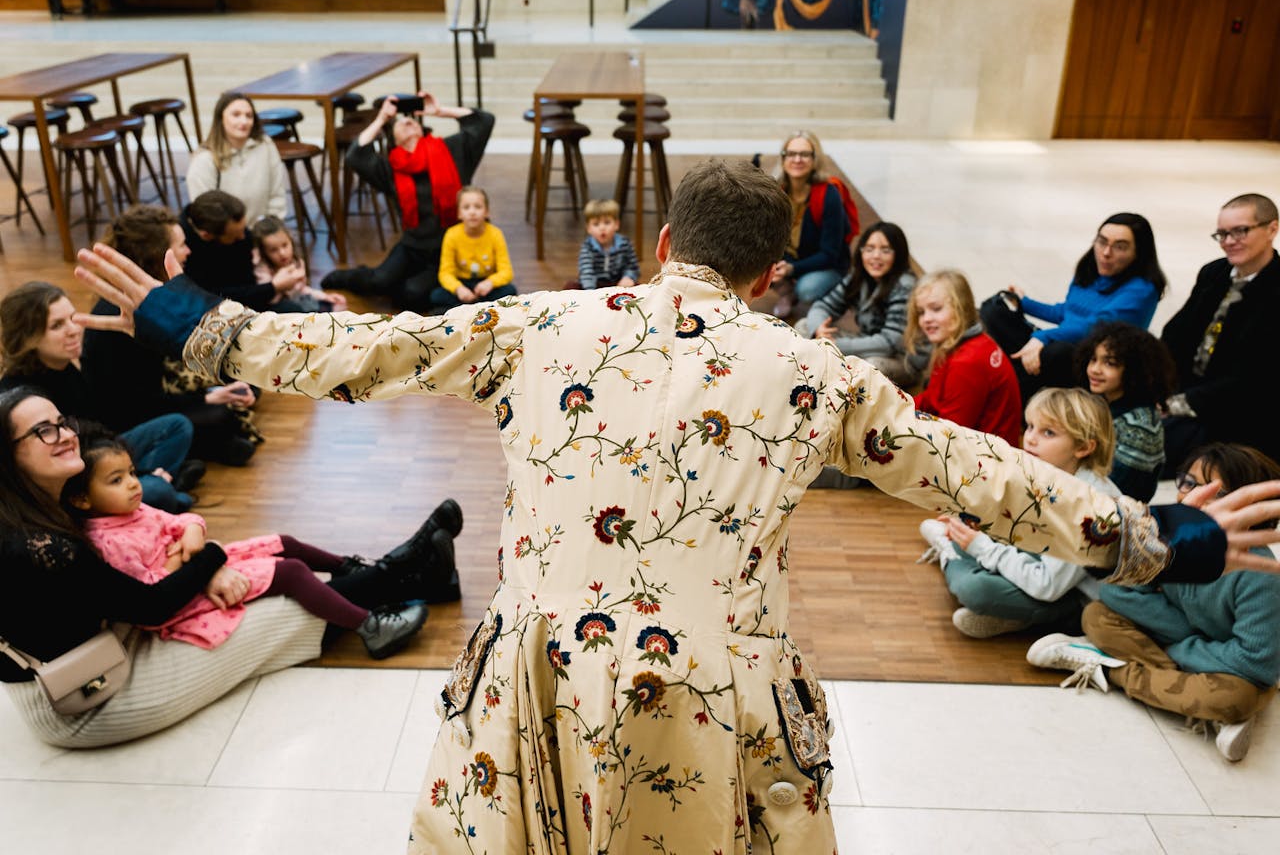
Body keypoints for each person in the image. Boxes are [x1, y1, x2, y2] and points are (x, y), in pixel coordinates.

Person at [73, 159, 1280, 854]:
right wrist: (1152, 535)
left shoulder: (540, 320)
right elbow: (980, 474)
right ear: (768, 278)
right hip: (714, 684)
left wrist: (198, 321)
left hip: (542, 665)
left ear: (655, 243)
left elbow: (364, 357)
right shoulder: (818, 373)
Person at [0, 385, 463, 748]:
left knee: (267, 565)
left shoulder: (44, 506)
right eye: (43, 431)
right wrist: (212, 556)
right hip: (88, 698)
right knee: (290, 602)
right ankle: (412, 572)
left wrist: (206, 550)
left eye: (61, 422)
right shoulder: (42, 545)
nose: (64, 434)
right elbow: (153, 607)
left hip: (112, 641)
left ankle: (411, 572)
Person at [65, 427, 428, 658]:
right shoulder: (108, 543)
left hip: (199, 566)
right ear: (82, 499)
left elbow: (184, 521)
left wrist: (191, 534)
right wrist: (184, 559)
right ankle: (371, 627)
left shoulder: (133, 509)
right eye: (116, 480)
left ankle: (352, 567)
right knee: (290, 572)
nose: (133, 484)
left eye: (131, 473)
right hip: (185, 597)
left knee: (283, 542)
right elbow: (151, 591)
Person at [1028, 443, 1280, 762]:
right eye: (1187, 482)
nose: (1189, 496)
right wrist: (1185, 640)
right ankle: (1199, 700)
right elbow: (1116, 590)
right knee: (1096, 615)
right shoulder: (1179, 535)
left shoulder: (1260, 574)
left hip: (1228, 659)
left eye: (1215, 491)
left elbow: (1255, 662)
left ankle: (1110, 671)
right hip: (1202, 651)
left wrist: (1180, 647)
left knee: (1238, 697)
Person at [919, 388, 1121, 638]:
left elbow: (1048, 586)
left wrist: (980, 546)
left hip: (1075, 600)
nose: (1031, 438)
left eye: (1048, 432)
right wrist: (972, 522)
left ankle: (952, 557)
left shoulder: (1088, 508)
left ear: (1083, 447)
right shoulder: (1052, 472)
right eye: (1030, 426)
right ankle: (1003, 606)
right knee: (974, 536)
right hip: (1046, 568)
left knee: (974, 589)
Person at [81, 205, 261, 467]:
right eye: (180, 245)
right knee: (220, 416)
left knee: (242, 381)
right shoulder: (122, 316)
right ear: (157, 256)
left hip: (159, 390)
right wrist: (208, 397)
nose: (188, 251)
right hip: (129, 414)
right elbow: (136, 403)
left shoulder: (158, 292)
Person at [0, 282, 201, 512]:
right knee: (159, 492)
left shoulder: (62, 365)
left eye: (73, 318)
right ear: (26, 337)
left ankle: (155, 483)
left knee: (177, 426)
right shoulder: (22, 397)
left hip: (93, 454)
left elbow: (96, 423)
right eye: (57, 325)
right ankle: (159, 485)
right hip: (74, 476)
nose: (74, 329)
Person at [320, 92, 495, 312]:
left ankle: (410, 286)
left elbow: (485, 120)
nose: (407, 121)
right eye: (400, 123)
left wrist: (440, 111)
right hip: (412, 246)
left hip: (448, 249)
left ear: (423, 129)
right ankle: (347, 277)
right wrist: (381, 118)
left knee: (411, 295)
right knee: (379, 282)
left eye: (412, 120)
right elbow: (356, 156)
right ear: (393, 139)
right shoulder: (391, 168)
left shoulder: (451, 150)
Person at [981, 212, 1166, 399]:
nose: (1106, 253)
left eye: (1119, 247)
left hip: (1095, 364)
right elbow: (1067, 312)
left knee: (1056, 352)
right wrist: (1024, 302)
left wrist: (1043, 337)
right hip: (1066, 346)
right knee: (994, 310)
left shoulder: (1142, 289)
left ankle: (1003, 390)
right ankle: (1010, 376)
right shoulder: (1090, 270)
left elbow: (1098, 327)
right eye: (1102, 242)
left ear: (1138, 253)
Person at [1160, 193, 1280, 468]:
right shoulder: (1213, 273)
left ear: (1272, 229)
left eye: (1240, 231)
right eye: (1222, 234)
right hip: (1190, 390)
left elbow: (1256, 378)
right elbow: (1176, 334)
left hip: (1240, 412)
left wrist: (1177, 404)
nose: (1229, 242)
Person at [906, 268, 1023, 447]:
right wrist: (896, 405)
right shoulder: (969, 343)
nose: (926, 319)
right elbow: (932, 398)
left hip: (985, 464)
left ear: (961, 308)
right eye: (921, 312)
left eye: (936, 309)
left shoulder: (967, 362)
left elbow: (950, 438)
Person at [801, 221, 921, 386]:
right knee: (805, 326)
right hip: (866, 344)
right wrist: (819, 331)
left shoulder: (905, 286)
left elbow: (889, 343)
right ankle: (812, 376)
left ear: (898, 254)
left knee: (870, 367)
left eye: (885, 250)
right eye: (869, 249)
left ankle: (825, 381)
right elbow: (822, 306)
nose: (876, 256)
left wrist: (834, 345)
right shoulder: (858, 277)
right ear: (861, 252)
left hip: (901, 358)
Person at [1075, 321, 1177, 501]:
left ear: (1134, 370)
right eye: (1093, 359)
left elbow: (1114, 490)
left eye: (1109, 363)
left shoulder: (1140, 426)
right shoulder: (1104, 402)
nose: (1095, 369)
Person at [768, 130, 853, 317]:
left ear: (815, 159)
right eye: (791, 154)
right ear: (783, 158)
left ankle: (827, 299)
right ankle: (787, 293)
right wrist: (780, 265)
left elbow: (830, 254)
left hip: (827, 264)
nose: (797, 159)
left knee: (807, 289)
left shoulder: (829, 194)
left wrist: (792, 269)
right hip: (793, 260)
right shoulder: (777, 191)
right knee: (756, 264)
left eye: (804, 154)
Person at [181, 189, 308, 312]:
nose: (244, 236)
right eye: (235, 236)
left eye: (244, 228)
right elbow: (215, 297)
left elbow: (248, 279)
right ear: (206, 236)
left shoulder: (239, 234)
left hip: (252, 293)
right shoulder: (184, 250)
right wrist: (273, 287)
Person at [184, 91, 286, 224]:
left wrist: (270, 226)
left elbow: (277, 192)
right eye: (236, 115)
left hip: (263, 230)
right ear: (221, 118)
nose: (244, 121)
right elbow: (204, 213)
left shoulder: (265, 144)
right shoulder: (205, 159)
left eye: (249, 116)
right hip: (226, 237)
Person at [429, 186, 516, 310]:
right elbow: (445, 273)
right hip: (462, 283)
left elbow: (506, 271)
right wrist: (458, 289)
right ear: (459, 213)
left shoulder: (496, 234)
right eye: (466, 207)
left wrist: (490, 283)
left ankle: (465, 309)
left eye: (478, 207)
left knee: (510, 290)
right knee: (436, 296)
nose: (472, 212)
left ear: (487, 212)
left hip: (486, 285)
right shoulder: (451, 234)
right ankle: (482, 308)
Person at [251, 215, 347, 313]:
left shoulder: (297, 262)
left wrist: (325, 297)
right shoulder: (262, 269)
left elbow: (301, 290)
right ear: (264, 252)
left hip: (297, 299)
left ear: (291, 241)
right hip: (276, 309)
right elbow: (270, 300)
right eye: (273, 250)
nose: (282, 253)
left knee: (336, 304)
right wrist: (281, 285)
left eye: (285, 245)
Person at [576, 198, 640, 290]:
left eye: (607, 222)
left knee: (640, 288)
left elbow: (633, 267)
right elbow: (586, 272)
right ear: (588, 228)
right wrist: (590, 293)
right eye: (596, 224)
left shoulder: (625, 243)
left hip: (618, 284)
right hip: (594, 285)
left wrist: (628, 277)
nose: (602, 228)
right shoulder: (587, 247)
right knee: (570, 286)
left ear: (616, 224)